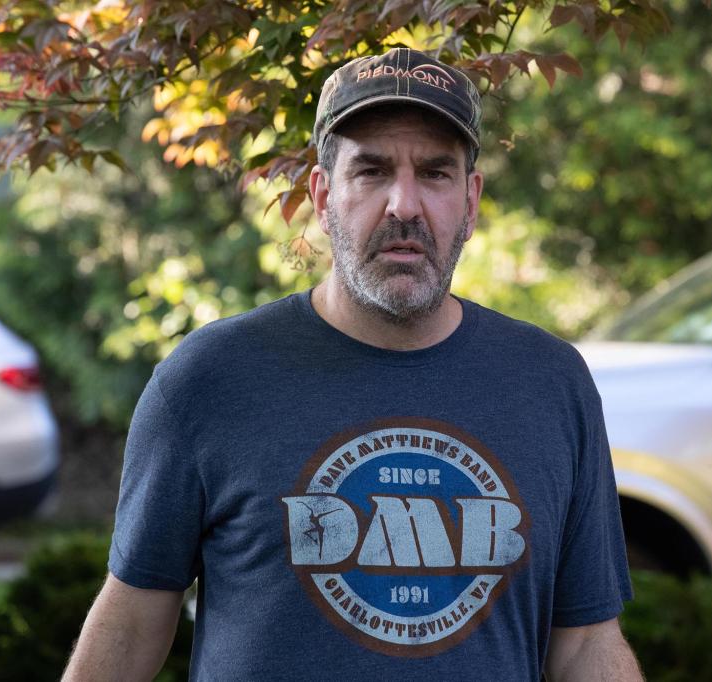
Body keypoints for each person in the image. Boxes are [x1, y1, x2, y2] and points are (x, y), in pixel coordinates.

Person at [64, 47, 641, 681]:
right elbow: (132, 619)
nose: (404, 205)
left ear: (471, 201)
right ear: (322, 195)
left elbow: (586, 642)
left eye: (435, 173)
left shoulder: (551, 384)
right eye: (370, 171)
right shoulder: (210, 380)